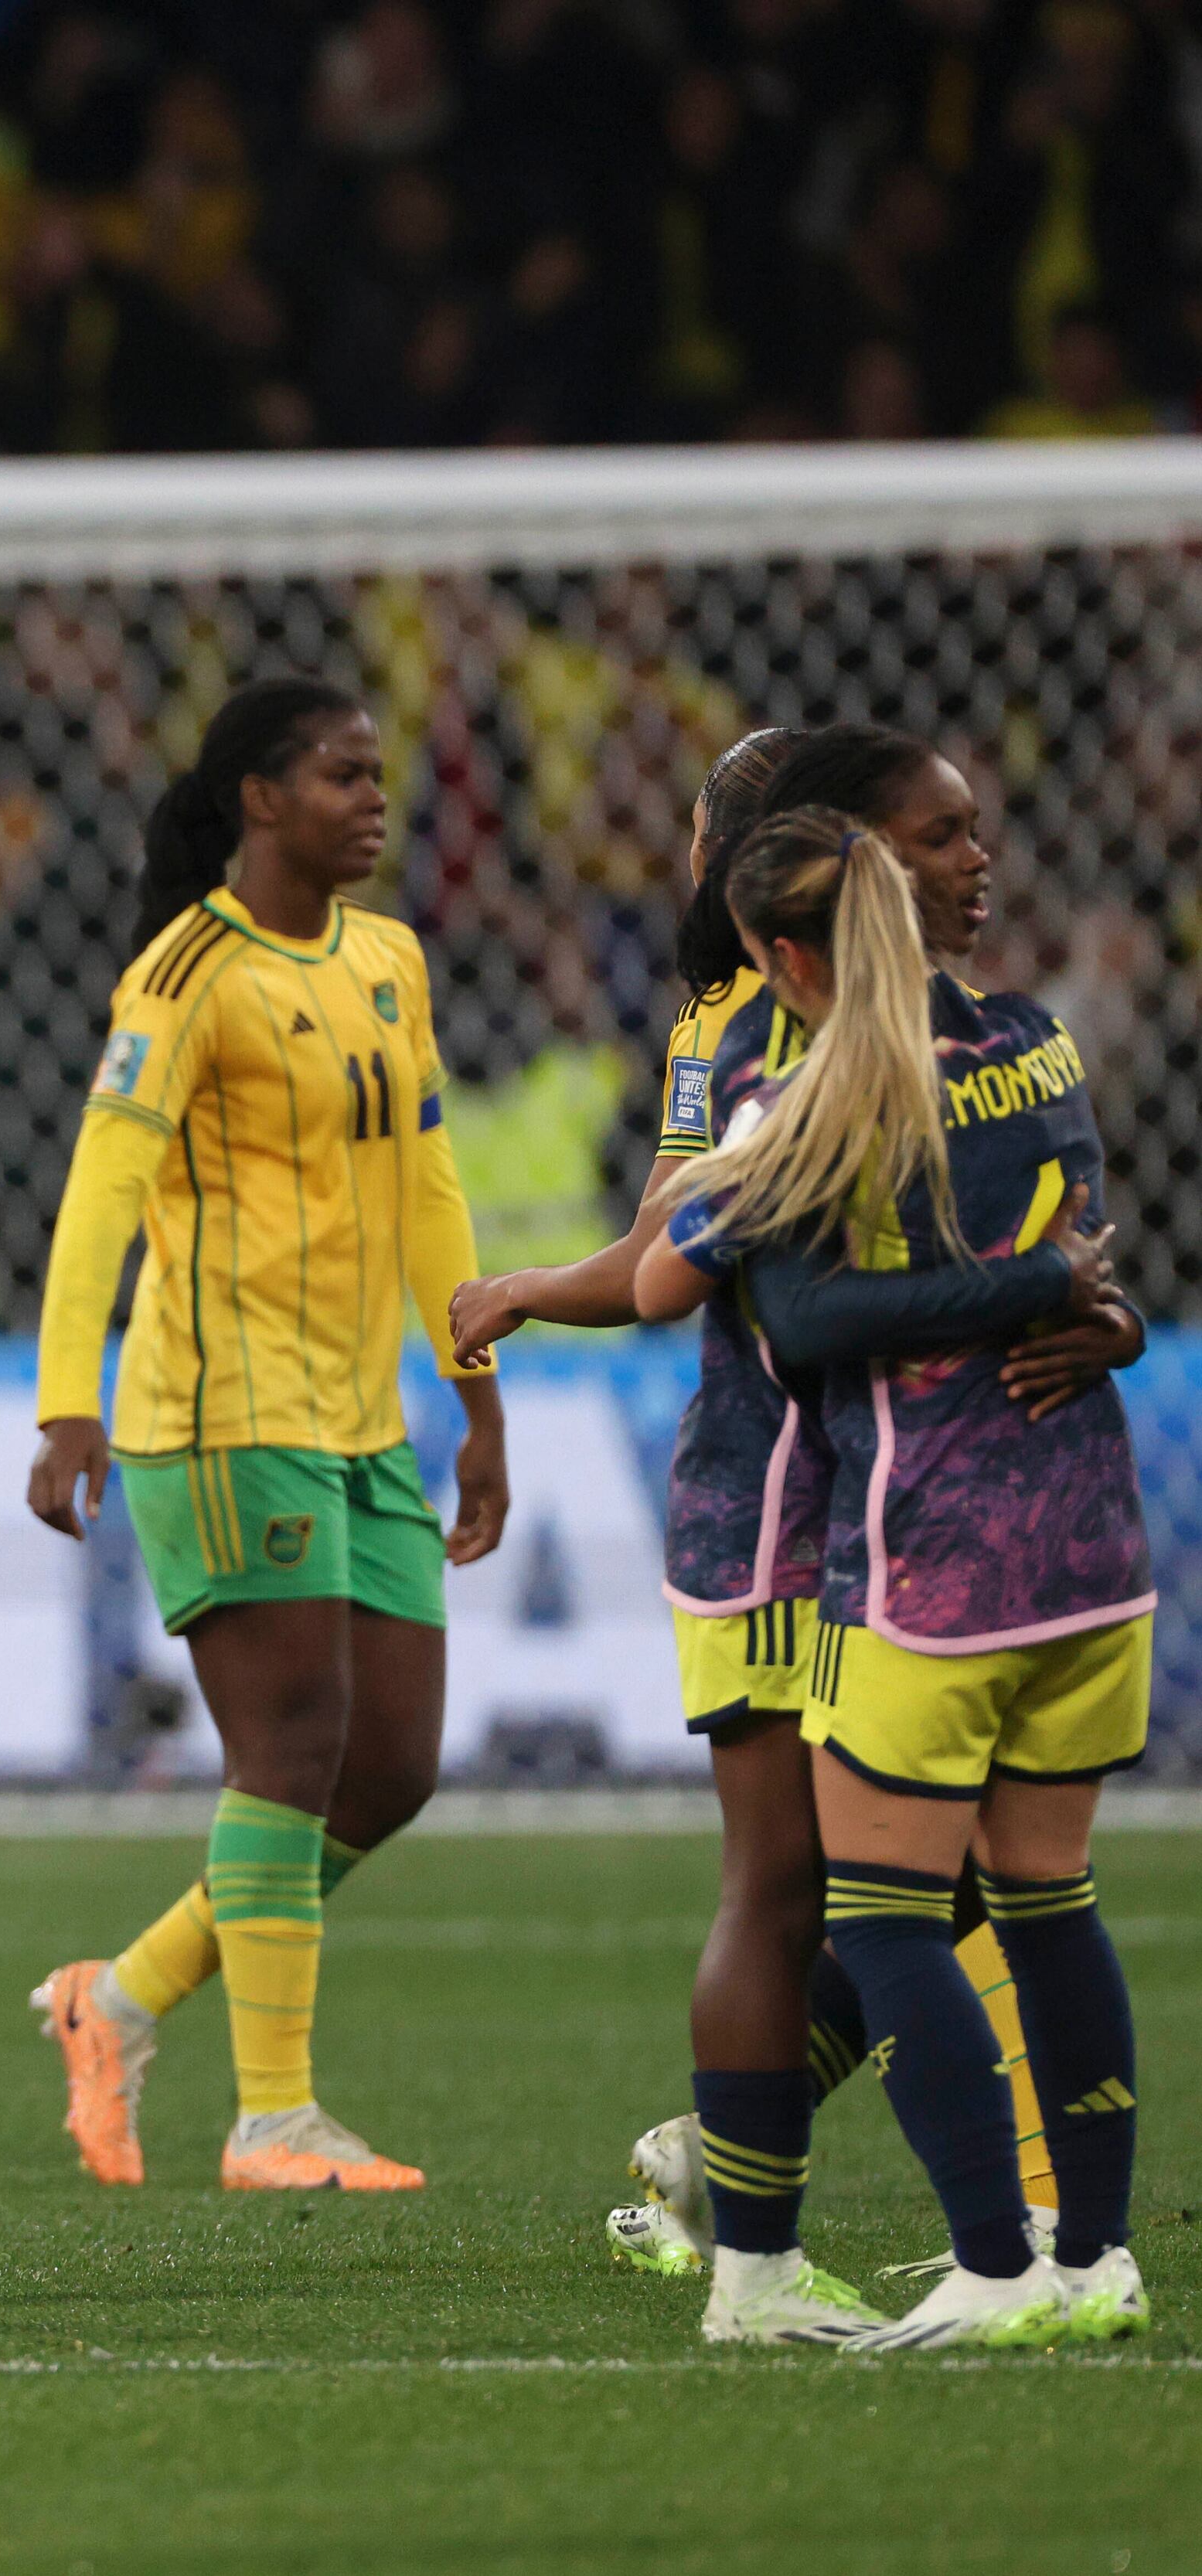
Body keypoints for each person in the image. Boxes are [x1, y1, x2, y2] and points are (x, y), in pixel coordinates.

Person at [454, 725, 1125, 2335]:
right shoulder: (737, 1032)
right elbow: (676, 1255)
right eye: (936, 836)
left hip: (899, 1504)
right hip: (780, 1490)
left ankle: (731, 2157)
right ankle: (754, 2241)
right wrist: (537, 1288)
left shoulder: (940, 1024)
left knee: (939, 1872)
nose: (971, 863)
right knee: (804, 1880)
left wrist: (1090, 1308)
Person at [640, 810, 1153, 2350]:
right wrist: (1075, 1299)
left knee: (876, 1919)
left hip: (930, 1558)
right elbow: (1087, 1252)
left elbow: (786, 1316)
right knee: (1049, 1899)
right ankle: (1092, 2260)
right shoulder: (1038, 1043)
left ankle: (993, 2266)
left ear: (782, 956)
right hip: (1090, 1546)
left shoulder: (804, 1102)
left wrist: (1010, 1289)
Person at [22, 676, 509, 2194]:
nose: (374, 799)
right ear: (258, 799)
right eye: (340, 776)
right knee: (291, 1749)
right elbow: (103, 1186)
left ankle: (117, 2000)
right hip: (220, 1411)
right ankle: (272, 2116)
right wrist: (64, 1398)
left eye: (377, 775)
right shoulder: (185, 974)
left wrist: (477, 1389)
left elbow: (428, 1189)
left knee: (392, 1767)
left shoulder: (386, 957)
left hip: (365, 1413)